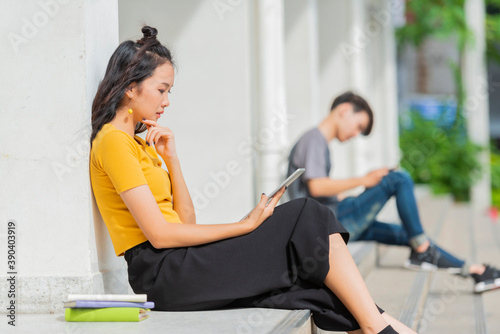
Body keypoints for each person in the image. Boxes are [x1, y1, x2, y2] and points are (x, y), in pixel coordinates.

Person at [88, 26, 417, 334]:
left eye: (169, 91)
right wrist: (244, 226)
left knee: (312, 287)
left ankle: (385, 328)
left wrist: (172, 160)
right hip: (164, 275)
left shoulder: (140, 144)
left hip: (180, 265)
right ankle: (379, 328)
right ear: (131, 87)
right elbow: (160, 236)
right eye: (162, 90)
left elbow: (186, 221)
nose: (167, 101)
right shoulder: (113, 142)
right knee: (306, 214)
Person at [287, 91, 500, 294]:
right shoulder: (314, 138)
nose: (355, 134)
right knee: (399, 179)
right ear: (344, 110)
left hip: (332, 221)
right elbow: (317, 186)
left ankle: (473, 271)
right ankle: (424, 252)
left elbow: (315, 193)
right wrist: (364, 180)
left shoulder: (318, 142)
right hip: (327, 224)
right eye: (358, 126)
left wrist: (349, 193)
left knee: (411, 235)